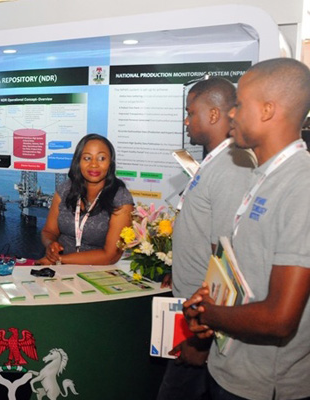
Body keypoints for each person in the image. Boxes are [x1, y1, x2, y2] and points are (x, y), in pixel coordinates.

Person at [184, 58, 310, 400]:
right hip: (231, 368)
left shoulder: (301, 185)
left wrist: (209, 314)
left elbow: (280, 318)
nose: (231, 113)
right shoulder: (263, 176)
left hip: (263, 385)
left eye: (239, 104)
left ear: (268, 110)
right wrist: (208, 303)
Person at [157, 78, 255, 400]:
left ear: (213, 114)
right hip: (197, 317)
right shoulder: (216, 162)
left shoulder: (232, 167)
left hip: (206, 326)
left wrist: (201, 341)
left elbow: (227, 262)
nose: (186, 121)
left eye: (190, 113)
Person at [38, 133, 134, 265]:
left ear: (110, 163)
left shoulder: (121, 198)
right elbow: (49, 231)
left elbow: (111, 255)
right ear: (78, 162)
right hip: (55, 266)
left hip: (94, 270)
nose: (94, 164)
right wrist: (50, 245)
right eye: (87, 158)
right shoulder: (65, 189)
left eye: (101, 158)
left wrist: (60, 260)